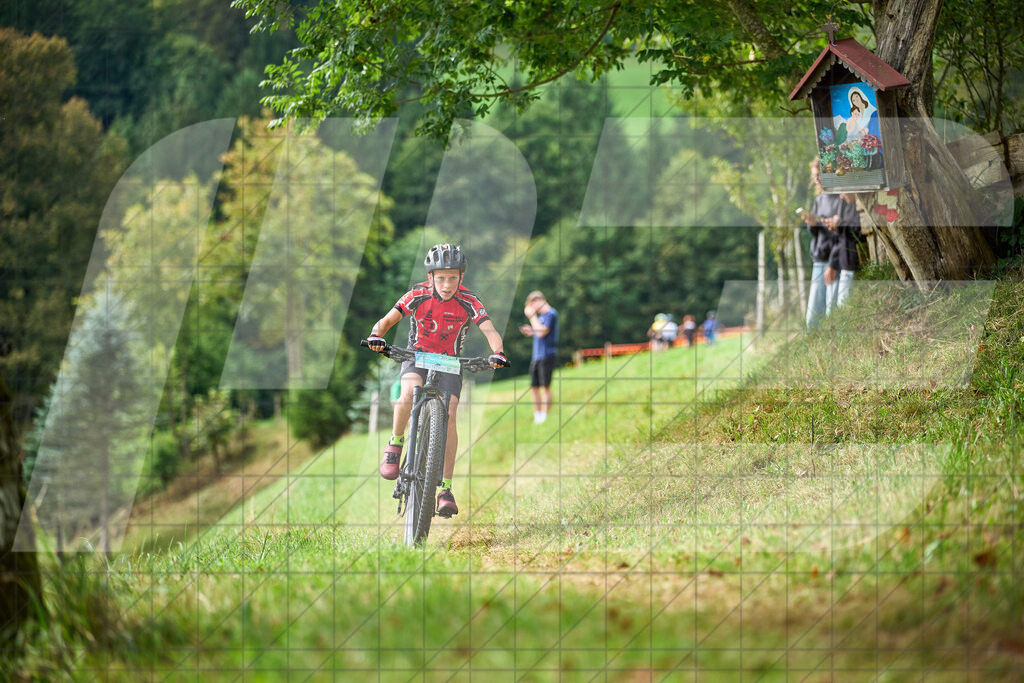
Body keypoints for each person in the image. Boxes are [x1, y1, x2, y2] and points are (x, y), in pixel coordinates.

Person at [367, 243, 508, 517]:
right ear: (430, 277)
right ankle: (395, 444)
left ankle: (445, 488)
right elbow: (386, 321)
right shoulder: (417, 295)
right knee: (408, 392)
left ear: (461, 278)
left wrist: (498, 353)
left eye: (453, 278)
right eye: (441, 278)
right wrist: (376, 336)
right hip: (416, 356)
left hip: (449, 362)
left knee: (451, 411)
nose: (446, 284)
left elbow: (490, 330)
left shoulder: (469, 301)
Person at [801, 158, 858, 329]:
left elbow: (842, 235)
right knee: (813, 314)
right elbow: (818, 234)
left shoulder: (843, 197)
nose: (816, 179)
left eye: (819, 175)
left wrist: (833, 264)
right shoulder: (819, 199)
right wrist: (812, 225)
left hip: (836, 259)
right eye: (814, 176)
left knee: (831, 312)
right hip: (820, 259)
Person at [519, 290, 558, 424]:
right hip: (536, 356)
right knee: (534, 387)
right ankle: (538, 415)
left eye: (532, 305)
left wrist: (532, 317)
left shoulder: (550, 314)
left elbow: (542, 333)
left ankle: (546, 416)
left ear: (538, 301)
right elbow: (538, 331)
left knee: (545, 386)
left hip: (547, 355)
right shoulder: (541, 317)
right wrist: (531, 331)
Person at [827, 193, 863, 314]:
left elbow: (858, 230)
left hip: (856, 267)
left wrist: (839, 224)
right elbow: (841, 237)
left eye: (843, 191)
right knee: (842, 308)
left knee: (846, 311)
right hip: (845, 266)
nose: (841, 196)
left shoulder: (861, 203)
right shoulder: (844, 202)